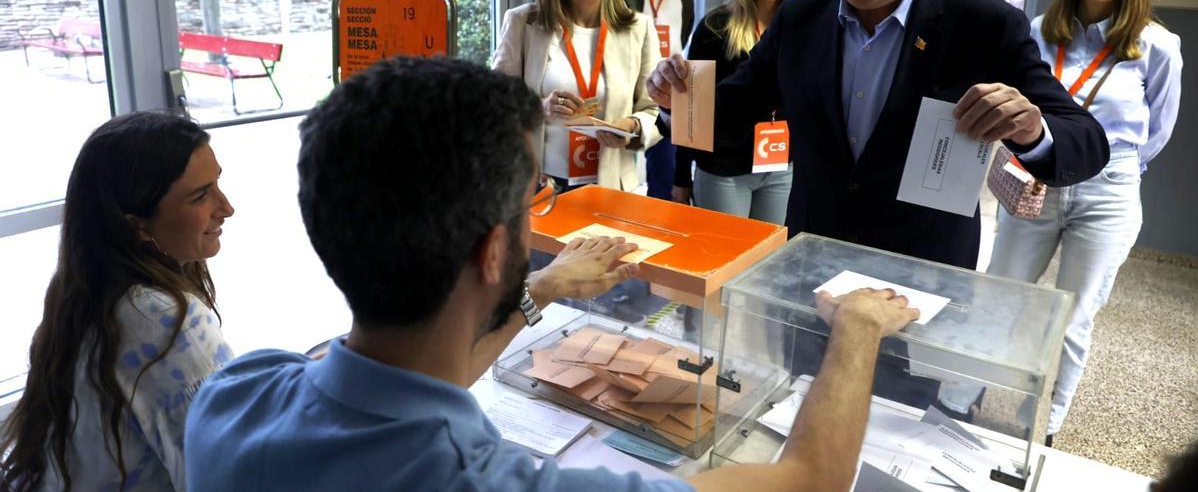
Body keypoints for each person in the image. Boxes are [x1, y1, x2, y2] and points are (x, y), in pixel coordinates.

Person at [183, 54, 923, 492]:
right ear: (495, 249)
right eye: (528, 199)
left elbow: (398, 369)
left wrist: (542, 288)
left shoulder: (230, 398)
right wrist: (856, 328)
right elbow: (808, 480)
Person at [647, 0, 1109, 271]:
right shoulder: (801, 20)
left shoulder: (982, 24)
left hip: (921, 275)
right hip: (812, 262)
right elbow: (732, 112)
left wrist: (1031, 129)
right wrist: (675, 100)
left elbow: (1086, 140)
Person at [982, 0, 1182, 442]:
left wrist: (1114, 170)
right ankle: (958, 398)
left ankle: (1041, 428)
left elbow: (1156, 130)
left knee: (1073, 316)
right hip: (1037, 178)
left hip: (1108, 188)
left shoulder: (1156, 46)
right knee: (999, 296)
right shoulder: (1040, 30)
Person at [0, 112, 235, 491]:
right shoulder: (162, 320)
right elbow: (223, 476)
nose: (225, 207)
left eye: (217, 184)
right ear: (137, 224)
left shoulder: (87, 294)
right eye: (201, 195)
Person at [493, 0, 660, 191]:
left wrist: (631, 126)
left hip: (611, 186)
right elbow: (495, 104)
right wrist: (540, 107)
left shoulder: (638, 28)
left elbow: (654, 110)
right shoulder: (524, 23)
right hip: (540, 187)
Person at [672, 0, 804, 223]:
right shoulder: (715, 28)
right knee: (726, 267)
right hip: (723, 169)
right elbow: (690, 110)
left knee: (769, 262)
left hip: (780, 166)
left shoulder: (803, 24)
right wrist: (681, 177)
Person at [620, 0, 696, 200]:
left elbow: (686, 18)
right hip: (630, 74)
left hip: (670, 78)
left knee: (666, 166)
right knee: (621, 162)